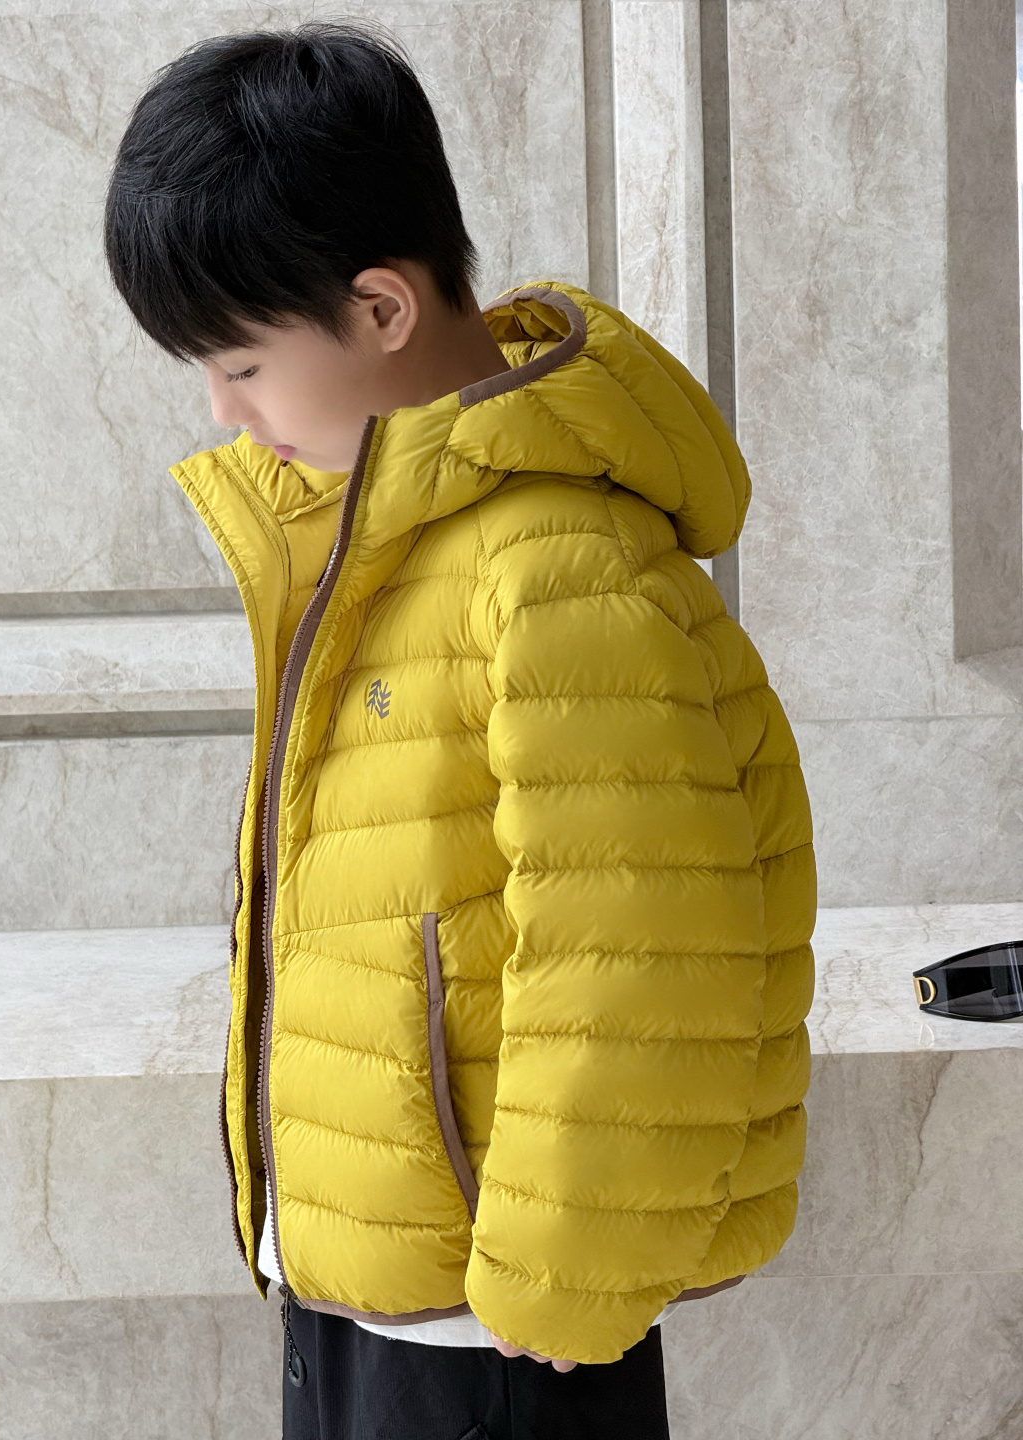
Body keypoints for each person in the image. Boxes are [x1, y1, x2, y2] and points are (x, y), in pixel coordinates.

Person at [104, 23, 816, 1440]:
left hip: (501, 1339)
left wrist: (559, 1281)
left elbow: (644, 945)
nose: (222, 414)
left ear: (380, 307)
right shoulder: (383, 543)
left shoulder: (555, 564)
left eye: (240, 365)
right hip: (371, 1289)